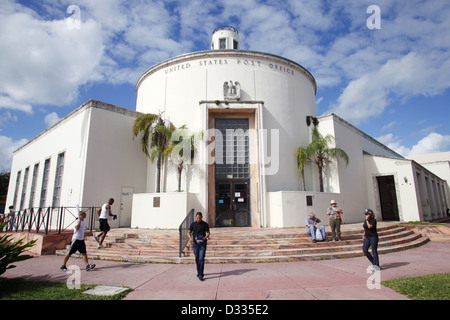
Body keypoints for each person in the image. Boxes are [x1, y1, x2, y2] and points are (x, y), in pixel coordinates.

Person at [188, 212, 210, 281]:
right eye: (197, 218)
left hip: (202, 243)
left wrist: (205, 237)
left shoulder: (205, 224)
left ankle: (200, 274)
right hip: (195, 244)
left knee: (201, 258)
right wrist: (190, 238)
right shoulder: (193, 224)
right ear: (195, 217)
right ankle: (199, 272)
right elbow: (189, 232)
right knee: (197, 258)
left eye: (200, 218)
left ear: (202, 217)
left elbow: (208, 232)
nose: (198, 219)